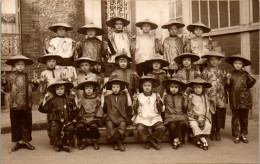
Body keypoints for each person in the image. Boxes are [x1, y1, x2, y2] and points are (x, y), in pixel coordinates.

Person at [1, 55, 39, 152]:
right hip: (14, 105)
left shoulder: (27, 77)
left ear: (25, 66)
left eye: (22, 64)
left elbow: (32, 89)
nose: (20, 66)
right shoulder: (10, 77)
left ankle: (26, 141)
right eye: (18, 65)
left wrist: (35, 83)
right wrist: (4, 82)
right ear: (14, 66)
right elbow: (7, 89)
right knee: (16, 124)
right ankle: (18, 142)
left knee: (26, 123)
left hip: (26, 105)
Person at [38, 80, 78, 152]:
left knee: (70, 128)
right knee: (54, 129)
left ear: (65, 89)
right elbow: (43, 109)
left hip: (66, 121)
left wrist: (71, 118)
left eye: (61, 89)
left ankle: (65, 143)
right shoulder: (51, 100)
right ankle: (58, 144)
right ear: (54, 90)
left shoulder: (69, 99)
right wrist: (44, 99)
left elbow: (75, 110)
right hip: (55, 121)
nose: (60, 91)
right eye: (57, 89)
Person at [225, 54, 256, 144]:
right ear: (233, 64)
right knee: (235, 117)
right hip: (234, 99)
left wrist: (250, 77)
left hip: (245, 99)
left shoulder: (246, 74)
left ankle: (243, 134)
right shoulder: (230, 75)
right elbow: (227, 87)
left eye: (240, 63)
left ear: (242, 65)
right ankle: (236, 134)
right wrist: (227, 79)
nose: (238, 65)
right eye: (236, 63)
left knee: (244, 118)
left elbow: (250, 85)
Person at [132, 75, 165, 150]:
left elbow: (161, 108)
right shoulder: (139, 96)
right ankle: (151, 142)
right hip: (142, 117)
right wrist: (134, 101)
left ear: (152, 86)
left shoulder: (156, 95)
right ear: (142, 86)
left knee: (161, 128)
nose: (147, 87)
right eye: (145, 85)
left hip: (154, 117)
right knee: (140, 128)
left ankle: (151, 141)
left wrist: (159, 101)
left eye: (149, 85)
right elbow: (134, 109)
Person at [201, 50, 228, 141]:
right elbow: (203, 83)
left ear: (219, 60)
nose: (214, 62)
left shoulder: (222, 71)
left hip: (220, 95)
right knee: (211, 113)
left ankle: (218, 130)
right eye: (211, 59)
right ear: (208, 60)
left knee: (220, 113)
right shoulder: (205, 71)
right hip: (210, 95)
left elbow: (226, 83)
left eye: (216, 59)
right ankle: (212, 130)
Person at [101, 77, 132, 151]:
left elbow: (129, 105)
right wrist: (103, 95)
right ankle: (119, 143)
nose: (115, 89)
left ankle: (116, 142)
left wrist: (127, 94)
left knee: (123, 125)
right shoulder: (108, 97)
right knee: (109, 125)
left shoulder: (124, 97)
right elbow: (102, 106)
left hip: (121, 117)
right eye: (114, 87)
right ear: (111, 88)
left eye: (117, 87)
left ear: (120, 88)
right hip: (111, 117)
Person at [187, 78, 213, 151]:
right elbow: (189, 110)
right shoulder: (191, 96)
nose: (197, 89)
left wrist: (205, 118)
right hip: (194, 117)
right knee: (194, 125)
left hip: (204, 117)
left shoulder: (205, 96)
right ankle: (204, 141)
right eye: (195, 87)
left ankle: (199, 139)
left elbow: (207, 108)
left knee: (208, 125)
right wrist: (189, 101)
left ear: (203, 88)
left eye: (199, 87)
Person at [75, 80, 103, 150]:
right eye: (87, 89)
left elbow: (100, 108)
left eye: (90, 88)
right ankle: (83, 141)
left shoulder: (97, 99)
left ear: (93, 89)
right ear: (84, 90)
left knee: (94, 127)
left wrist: (96, 117)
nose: (89, 90)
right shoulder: (81, 99)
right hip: (84, 117)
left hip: (94, 117)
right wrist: (78, 104)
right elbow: (79, 110)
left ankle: (95, 141)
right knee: (80, 126)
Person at [162, 76, 188, 149]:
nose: (174, 89)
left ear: (179, 88)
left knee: (182, 124)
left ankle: (176, 140)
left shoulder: (181, 96)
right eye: (172, 87)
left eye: (176, 87)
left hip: (180, 115)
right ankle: (176, 139)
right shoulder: (166, 96)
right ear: (169, 87)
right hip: (170, 116)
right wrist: (163, 97)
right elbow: (161, 106)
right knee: (172, 126)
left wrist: (186, 99)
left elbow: (185, 107)